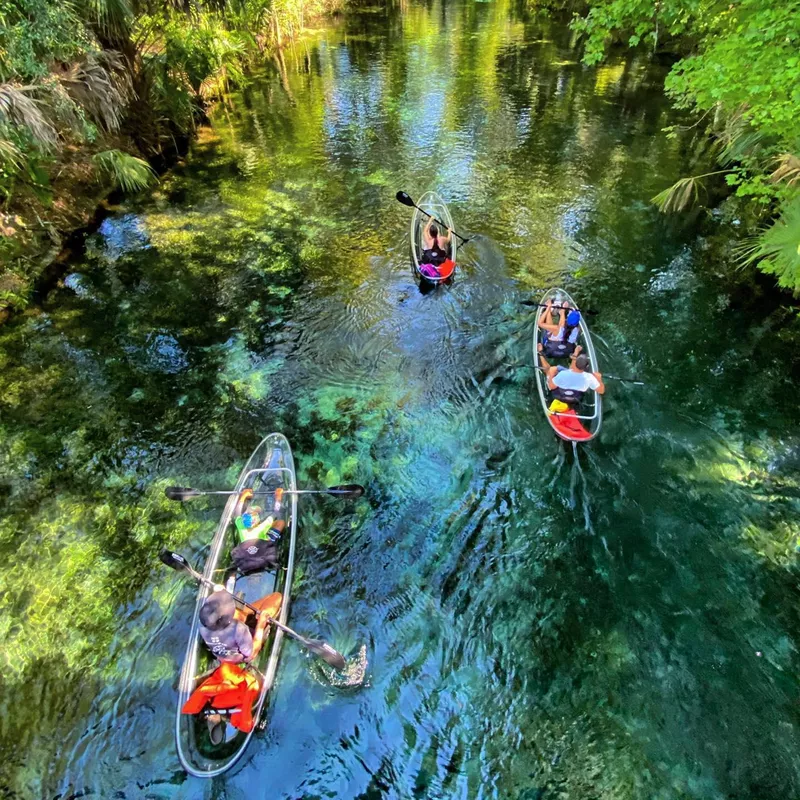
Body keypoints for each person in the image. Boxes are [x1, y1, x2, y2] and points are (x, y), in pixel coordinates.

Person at [198, 589, 282, 665]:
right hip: (243, 655)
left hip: (224, 656)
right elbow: (252, 654)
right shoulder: (238, 628)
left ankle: (249, 614)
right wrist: (261, 624)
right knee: (277, 596)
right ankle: (256, 616)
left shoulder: (203, 625)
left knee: (239, 613)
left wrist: (219, 593)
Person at [539, 347, 605, 405]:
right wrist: (599, 379)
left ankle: (540, 354)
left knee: (551, 369)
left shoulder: (563, 374)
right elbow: (601, 391)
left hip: (560, 396)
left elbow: (551, 387)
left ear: (575, 363)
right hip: (575, 399)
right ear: (587, 367)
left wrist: (550, 376)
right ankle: (575, 354)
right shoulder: (590, 378)